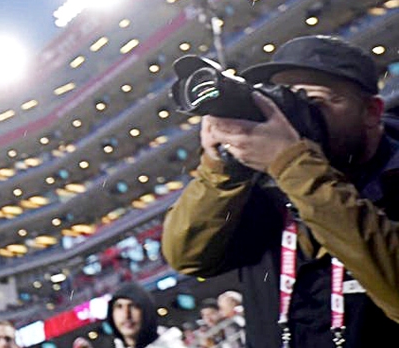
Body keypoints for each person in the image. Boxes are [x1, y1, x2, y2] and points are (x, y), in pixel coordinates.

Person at [162, 35, 399, 347]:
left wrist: (292, 165)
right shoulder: (261, 191)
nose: (294, 118)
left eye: (313, 102)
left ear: (371, 112)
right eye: (286, 101)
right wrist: (221, 171)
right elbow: (187, 256)